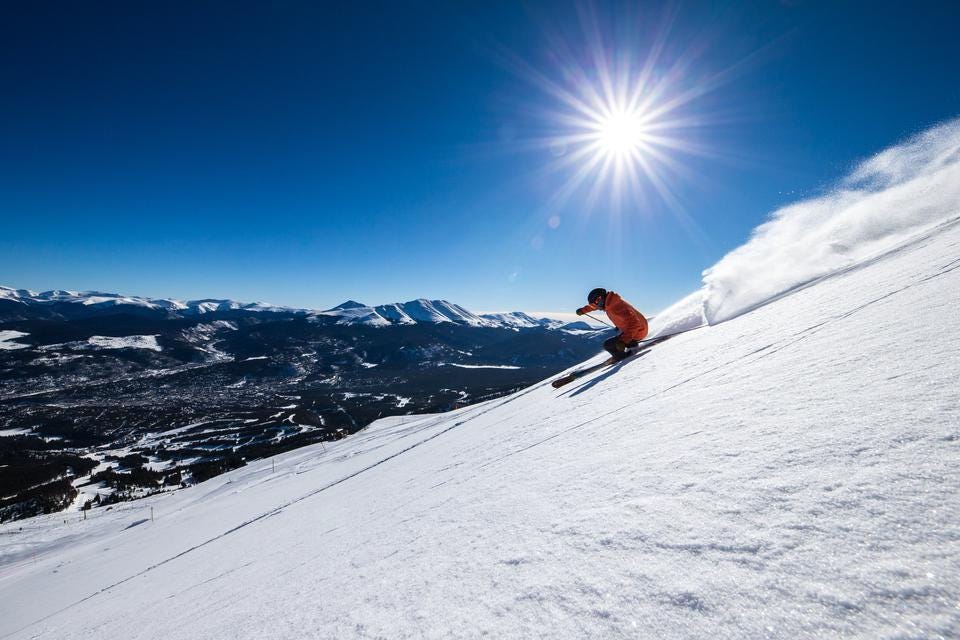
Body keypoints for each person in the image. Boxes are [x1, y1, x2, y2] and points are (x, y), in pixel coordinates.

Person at [576, 287, 649, 360]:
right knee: (614, 343)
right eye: (595, 302)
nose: (597, 304)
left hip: (639, 331)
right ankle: (630, 345)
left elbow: (635, 324)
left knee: (608, 345)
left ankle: (624, 356)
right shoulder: (610, 302)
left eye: (598, 300)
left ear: (603, 297)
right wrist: (583, 310)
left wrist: (624, 341)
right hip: (638, 328)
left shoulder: (617, 307)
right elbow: (594, 306)